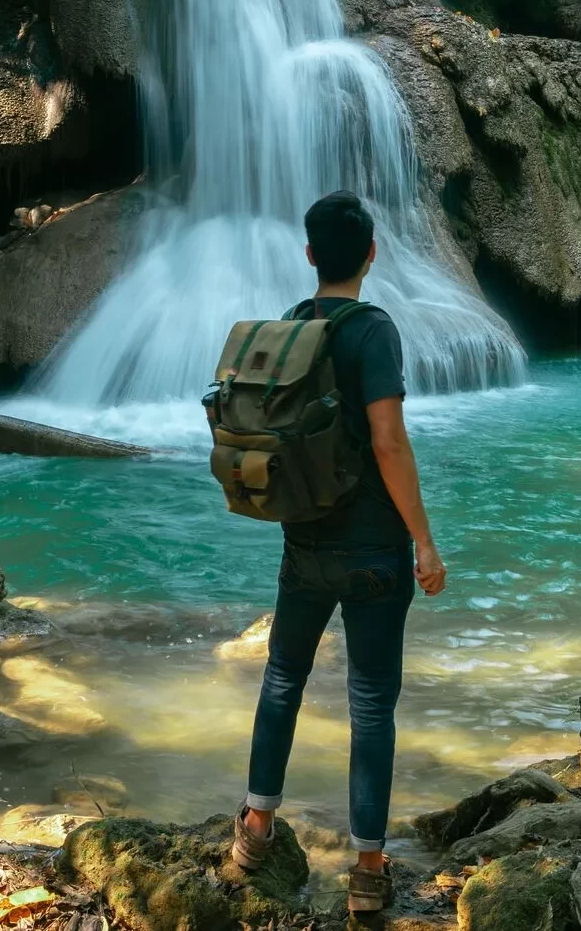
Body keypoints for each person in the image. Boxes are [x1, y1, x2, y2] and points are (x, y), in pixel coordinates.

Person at [228, 190, 448, 915]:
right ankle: (368, 867)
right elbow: (388, 440)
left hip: (304, 542)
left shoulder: (292, 327)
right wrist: (423, 537)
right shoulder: (373, 331)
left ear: (310, 254)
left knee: (283, 677)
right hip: (375, 553)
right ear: (373, 253)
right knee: (371, 704)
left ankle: (254, 828)